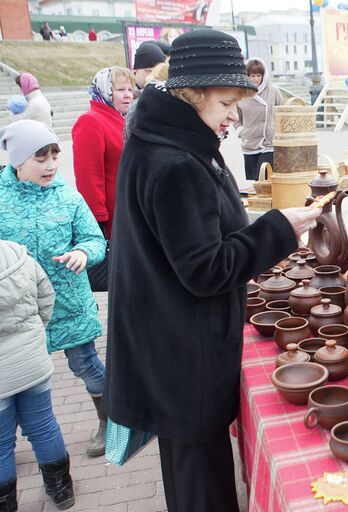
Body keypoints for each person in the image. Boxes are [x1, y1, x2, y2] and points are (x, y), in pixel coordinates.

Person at [103, 29, 321, 512]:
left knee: (187, 471)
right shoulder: (175, 161)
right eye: (226, 102)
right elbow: (205, 269)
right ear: (192, 93)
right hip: (183, 351)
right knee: (202, 482)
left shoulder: (165, 136)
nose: (233, 114)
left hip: (166, 341)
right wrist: (278, 229)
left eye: (238, 102)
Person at [0, 120, 108, 461]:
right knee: (17, 377)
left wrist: (82, 253)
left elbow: (94, 240)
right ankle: (10, 440)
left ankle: (111, 420)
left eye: (54, 156)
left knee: (86, 365)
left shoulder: (67, 195)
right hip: (17, 312)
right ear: (17, 161)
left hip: (68, 304)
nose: (50, 165)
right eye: (40, 158)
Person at [0, 239, 75, 511]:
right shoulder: (14, 252)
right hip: (32, 361)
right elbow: (46, 295)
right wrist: (34, 333)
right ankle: (62, 490)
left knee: (0, 444)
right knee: (44, 425)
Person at [72, 67, 135, 240]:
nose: (128, 95)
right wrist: (98, 218)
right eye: (121, 90)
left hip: (128, 209)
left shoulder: (122, 118)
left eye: (130, 89)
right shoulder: (91, 121)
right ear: (105, 90)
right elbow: (88, 176)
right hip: (112, 216)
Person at [235, 58, 284, 180]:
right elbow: (236, 117)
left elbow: (282, 112)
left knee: (266, 179)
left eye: (258, 75)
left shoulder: (273, 91)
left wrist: (277, 131)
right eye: (252, 76)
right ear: (246, 76)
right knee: (255, 184)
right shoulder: (240, 94)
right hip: (250, 142)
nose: (256, 79)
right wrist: (241, 130)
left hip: (269, 143)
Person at [124, 43, 167, 141]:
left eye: (157, 71)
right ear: (135, 72)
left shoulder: (167, 98)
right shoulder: (124, 99)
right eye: (148, 71)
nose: (153, 75)